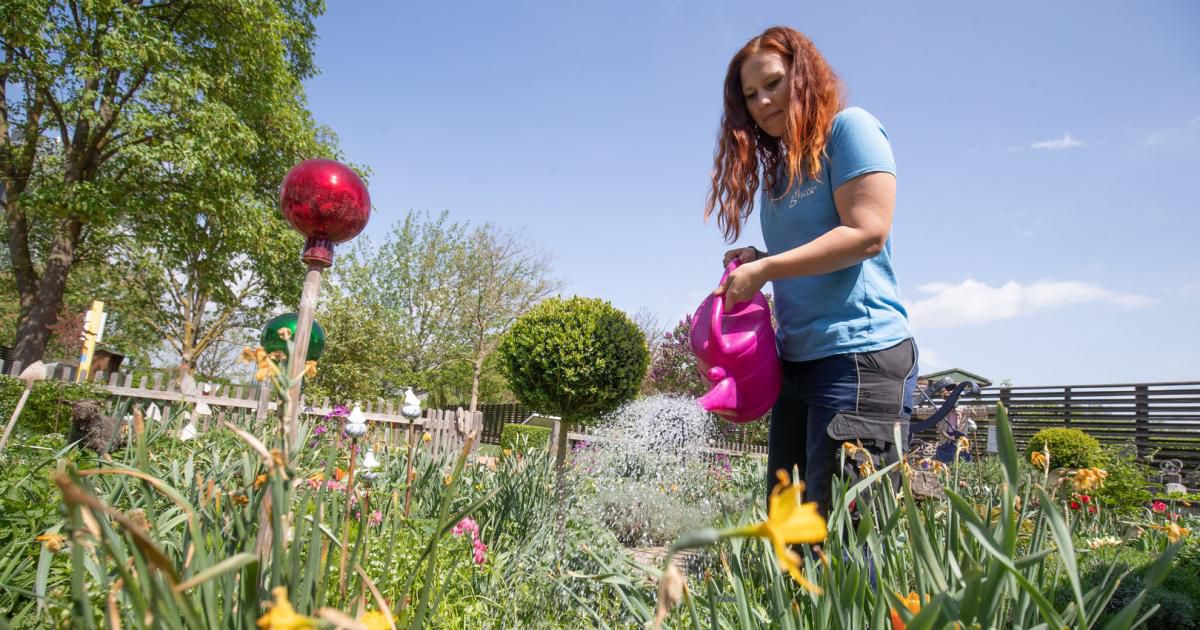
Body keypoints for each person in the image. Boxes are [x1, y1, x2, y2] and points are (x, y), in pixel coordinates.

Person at [706, 26, 919, 517]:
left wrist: (767, 270)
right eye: (750, 95)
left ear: (803, 77)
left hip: (858, 357)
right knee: (792, 534)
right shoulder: (780, 172)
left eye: (773, 83)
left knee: (850, 540)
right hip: (797, 364)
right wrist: (760, 259)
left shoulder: (850, 130)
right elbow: (804, 251)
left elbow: (867, 233)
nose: (762, 101)